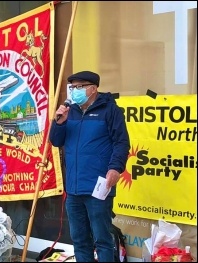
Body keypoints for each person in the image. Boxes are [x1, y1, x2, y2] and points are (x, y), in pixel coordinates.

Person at [49, 71, 130, 262]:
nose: (75, 91)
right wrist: (59, 122)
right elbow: (55, 141)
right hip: (74, 189)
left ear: (93, 89)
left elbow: (121, 142)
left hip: (98, 186)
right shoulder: (70, 111)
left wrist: (115, 168)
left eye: (80, 87)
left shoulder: (110, 110)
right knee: (79, 240)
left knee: (102, 240)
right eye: (73, 87)